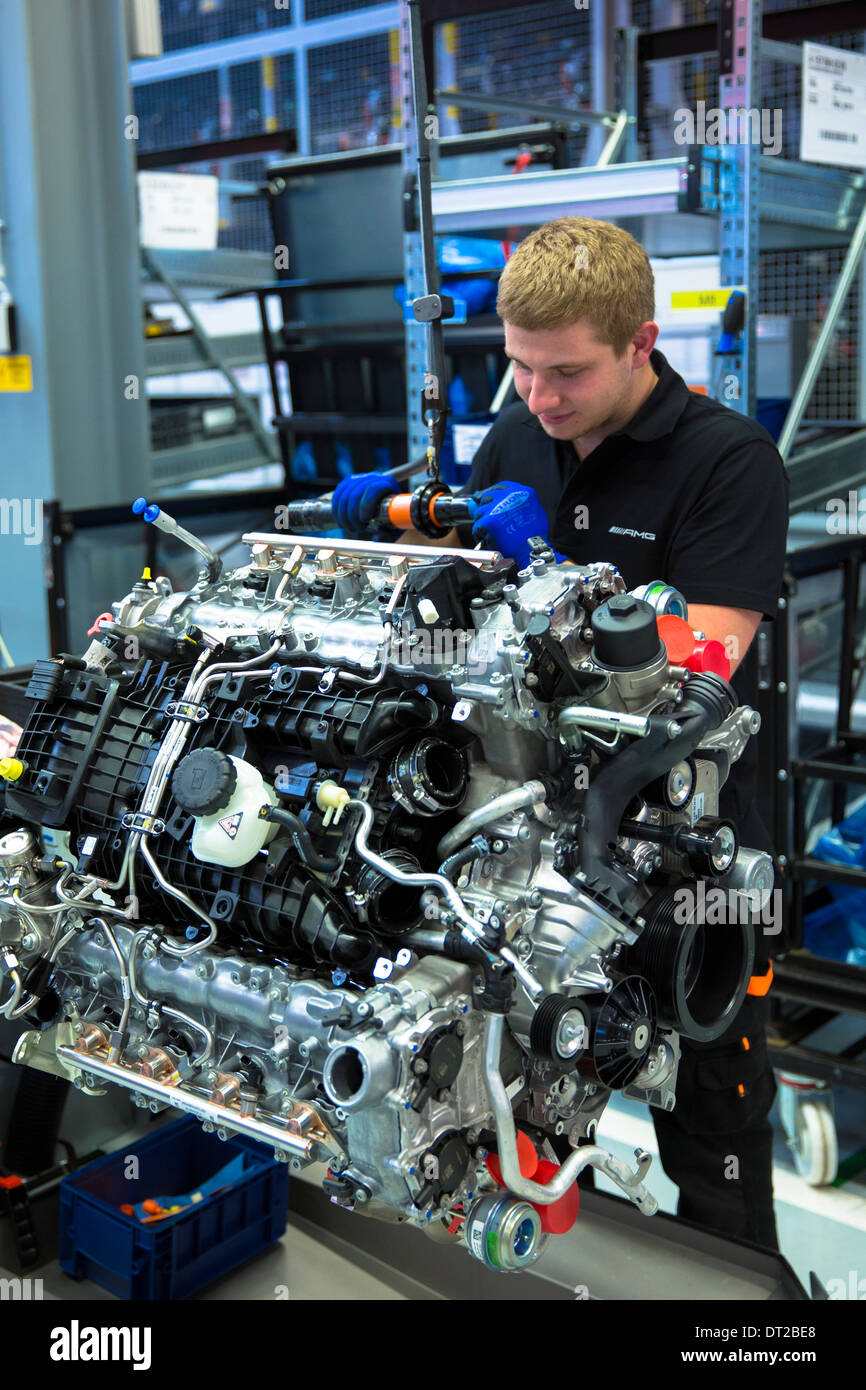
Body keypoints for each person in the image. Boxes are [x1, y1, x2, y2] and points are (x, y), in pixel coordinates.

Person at [331, 216, 789, 1250]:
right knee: (502, 1096)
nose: (540, 398)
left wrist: (544, 569)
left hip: (682, 858)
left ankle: (754, 1319)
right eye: (520, 369)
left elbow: (700, 673)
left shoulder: (727, 461)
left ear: (640, 341)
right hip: (522, 844)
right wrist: (399, 535)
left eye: (567, 373)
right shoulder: (515, 438)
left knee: (708, 1125)